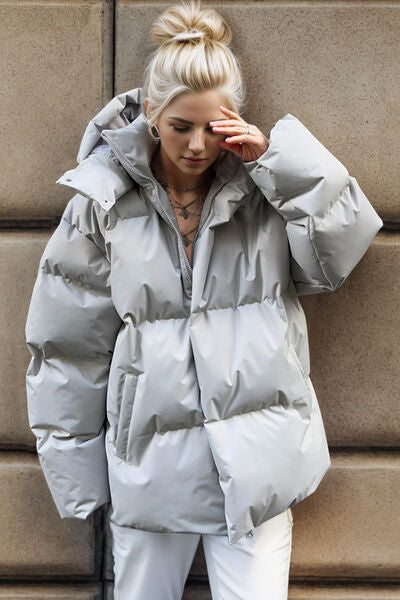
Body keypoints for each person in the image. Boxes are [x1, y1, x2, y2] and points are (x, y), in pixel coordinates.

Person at [24, 0, 383, 598]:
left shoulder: (264, 189)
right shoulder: (101, 203)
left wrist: (280, 164)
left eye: (212, 127)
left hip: (257, 464)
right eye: (179, 126)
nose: (196, 144)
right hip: (150, 467)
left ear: (232, 118)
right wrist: (76, 473)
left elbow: (337, 255)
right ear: (150, 113)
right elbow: (66, 347)